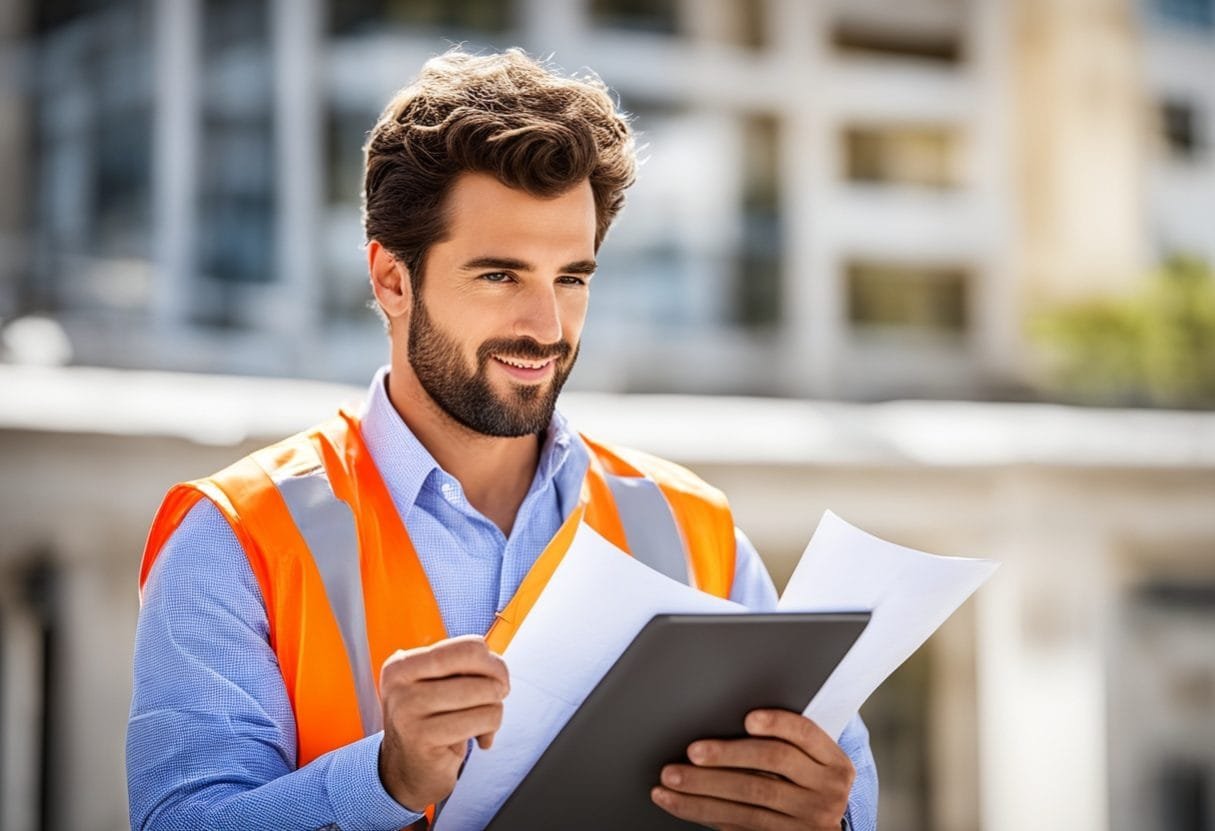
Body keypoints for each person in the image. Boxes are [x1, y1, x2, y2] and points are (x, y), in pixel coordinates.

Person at [127, 49, 878, 830]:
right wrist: (382, 777)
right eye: (500, 276)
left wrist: (827, 815)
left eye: (571, 278)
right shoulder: (236, 536)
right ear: (391, 280)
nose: (546, 328)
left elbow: (843, 781)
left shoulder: (694, 527)